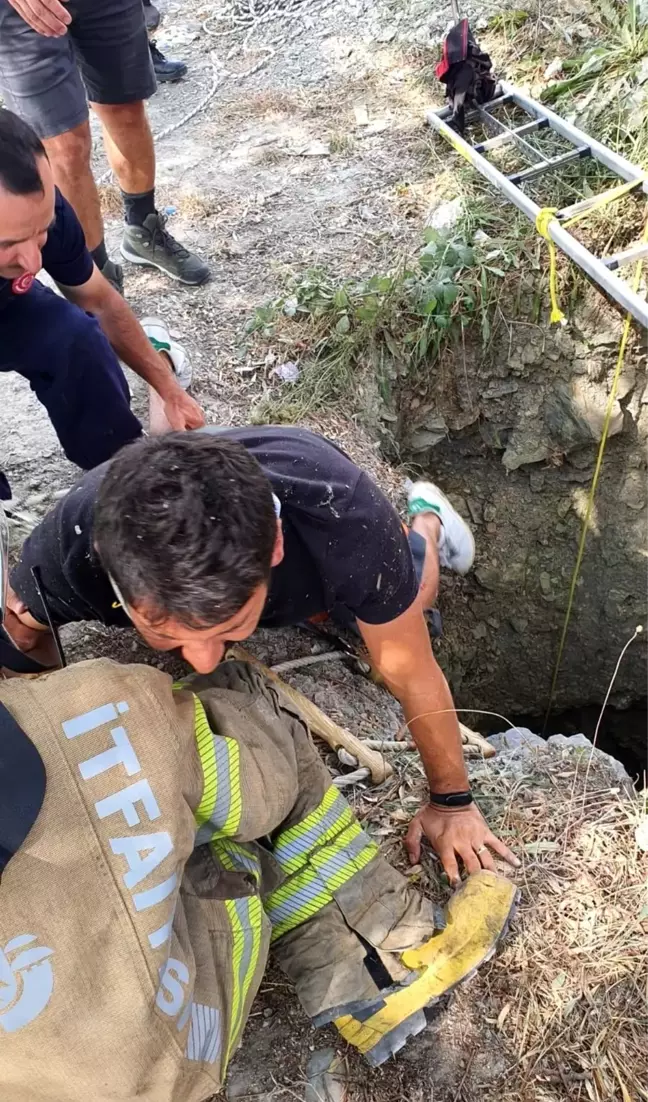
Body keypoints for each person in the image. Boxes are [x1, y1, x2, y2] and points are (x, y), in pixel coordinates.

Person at [0, 572, 518, 1092]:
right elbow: (241, 787)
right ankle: (380, 966)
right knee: (241, 720)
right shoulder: (87, 708)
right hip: (172, 1054)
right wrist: (451, 800)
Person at [5, 427, 521, 885]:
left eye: (230, 627)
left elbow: (413, 673)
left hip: (317, 554)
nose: (205, 663)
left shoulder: (343, 518)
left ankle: (427, 519)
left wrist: (451, 802)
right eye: (167, 634)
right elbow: (23, 637)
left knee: (413, 596)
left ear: (274, 545)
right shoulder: (67, 555)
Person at [0, 109, 204, 501]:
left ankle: (122, 478)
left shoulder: (41, 210)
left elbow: (98, 300)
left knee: (73, 337)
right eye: (8, 244)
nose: (33, 263)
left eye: (40, 232)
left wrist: (169, 391)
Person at [0, 0, 210, 290]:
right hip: (21, 10)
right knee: (65, 146)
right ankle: (95, 277)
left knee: (126, 109)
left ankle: (142, 230)